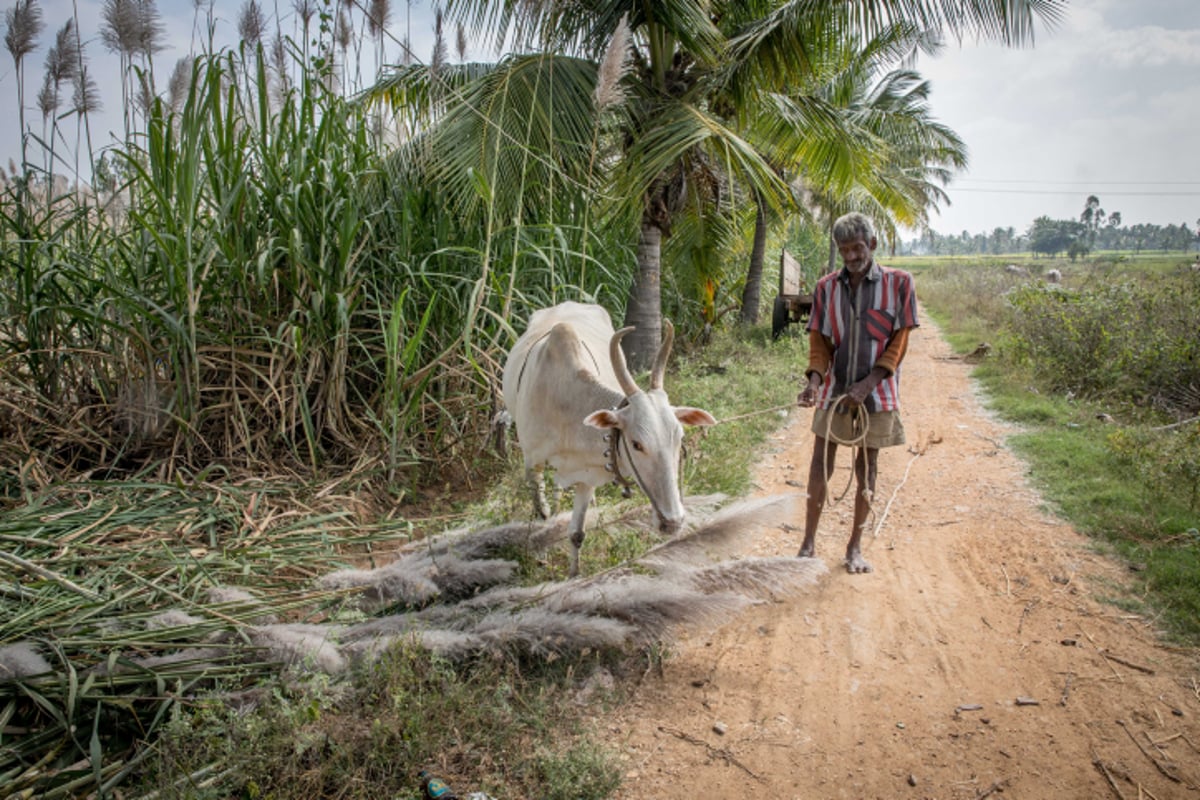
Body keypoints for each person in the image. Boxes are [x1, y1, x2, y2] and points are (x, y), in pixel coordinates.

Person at [796, 212, 919, 573]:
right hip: (835, 391)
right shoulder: (825, 288)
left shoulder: (899, 283)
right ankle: (807, 543)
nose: (851, 256)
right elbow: (819, 342)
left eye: (858, 248)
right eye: (844, 249)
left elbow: (900, 342)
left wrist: (868, 383)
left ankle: (854, 548)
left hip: (877, 395)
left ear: (873, 245)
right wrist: (814, 383)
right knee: (820, 463)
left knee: (868, 468)